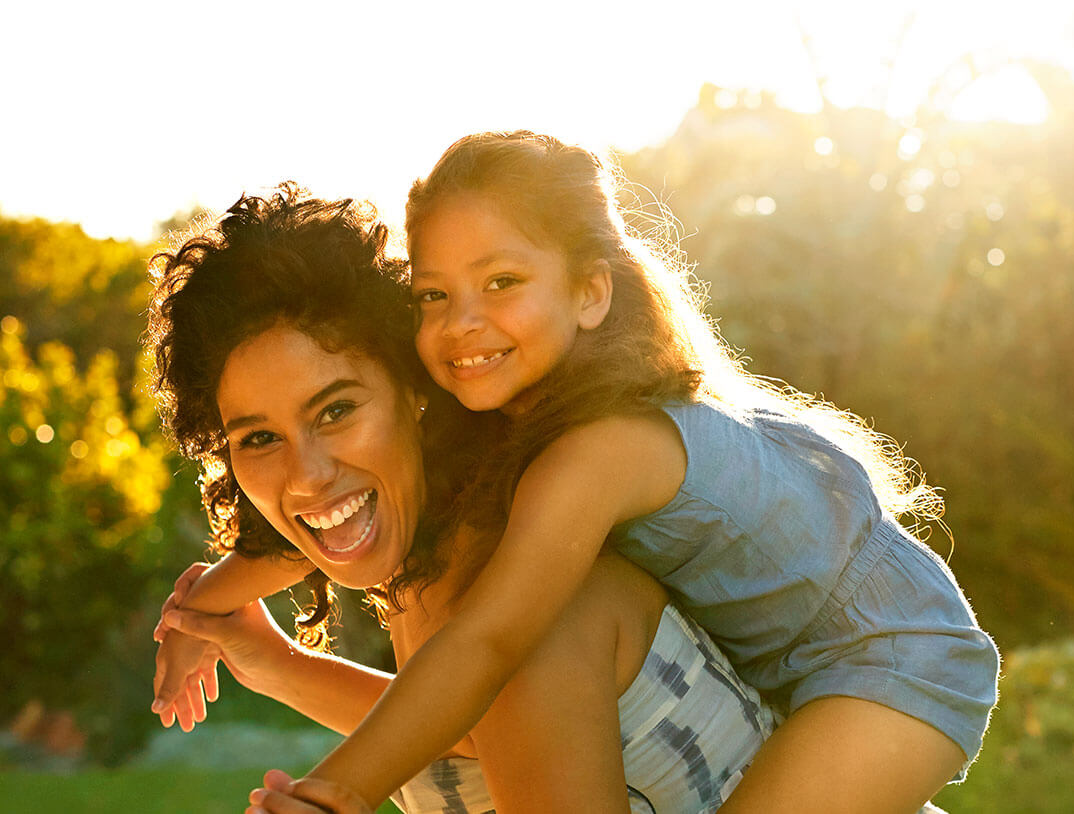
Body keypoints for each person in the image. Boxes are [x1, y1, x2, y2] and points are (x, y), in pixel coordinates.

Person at [155, 131, 999, 812]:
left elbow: (484, 650)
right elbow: (447, 699)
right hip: (810, 669)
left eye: (503, 281)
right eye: (435, 297)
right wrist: (212, 613)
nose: (463, 324)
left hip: (892, 663)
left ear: (592, 293)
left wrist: (337, 791)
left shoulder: (585, 460)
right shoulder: (494, 461)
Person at [146, 185, 777, 813]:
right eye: (259, 438)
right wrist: (265, 655)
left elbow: (492, 701)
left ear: (415, 392)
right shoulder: (440, 575)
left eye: (336, 410)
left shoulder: (523, 611)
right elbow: (463, 732)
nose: (306, 477)